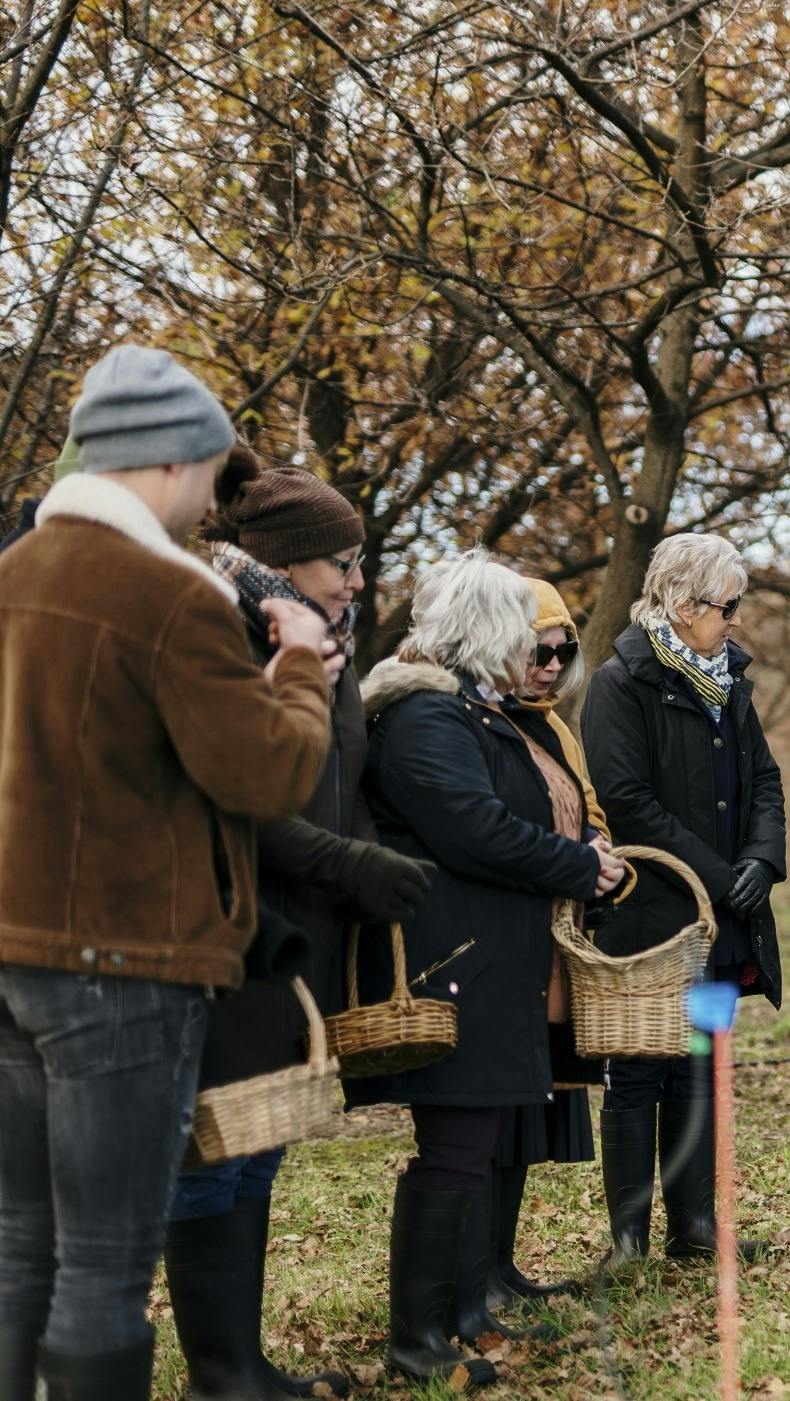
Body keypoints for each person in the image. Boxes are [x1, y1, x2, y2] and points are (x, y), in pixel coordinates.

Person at [0, 346, 334, 1399]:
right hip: (126, 962)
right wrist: (298, 666)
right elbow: (267, 771)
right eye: (204, 475)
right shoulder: (167, 593)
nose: (206, 506)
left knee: (19, 1243)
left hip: (10, 954)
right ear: (166, 461)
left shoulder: (9, 575)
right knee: (106, 1258)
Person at [161, 450, 436, 1401]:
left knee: (261, 1142)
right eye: (343, 560)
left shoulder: (332, 638)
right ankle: (219, 1374)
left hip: (302, 928)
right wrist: (344, 860)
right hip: (233, 924)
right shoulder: (229, 629)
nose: (358, 577)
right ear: (283, 557)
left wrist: (365, 863)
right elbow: (238, 793)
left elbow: (334, 778)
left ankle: (245, 1364)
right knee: (219, 1142)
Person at [351, 552, 624, 1390]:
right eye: (519, 637)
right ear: (484, 633)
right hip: (454, 958)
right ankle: (416, 1338)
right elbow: (475, 829)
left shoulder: (472, 711)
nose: (534, 656)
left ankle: (459, 1316)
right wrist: (579, 865)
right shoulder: (427, 719)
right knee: (454, 1148)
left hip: (492, 956)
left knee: (472, 1143)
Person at [581, 535, 786, 1265]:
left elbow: (764, 778)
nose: (736, 621)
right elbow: (626, 800)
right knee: (639, 1068)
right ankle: (629, 1238)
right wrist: (715, 873)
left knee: (703, 1060)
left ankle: (694, 1226)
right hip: (650, 924)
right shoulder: (620, 683)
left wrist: (761, 859)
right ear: (682, 602)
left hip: (720, 929)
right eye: (727, 607)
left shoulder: (730, 680)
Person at [470, 577, 608, 1312]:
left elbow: (585, 806)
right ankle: (476, 1274)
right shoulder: (483, 721)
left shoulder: (554, 724)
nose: (550, 664)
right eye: (537, 650)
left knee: (529, 1101)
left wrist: (598, 844)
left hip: (554, 939)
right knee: (492, 1111)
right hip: (505, 942)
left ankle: (502, 1264)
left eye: (562, 651)